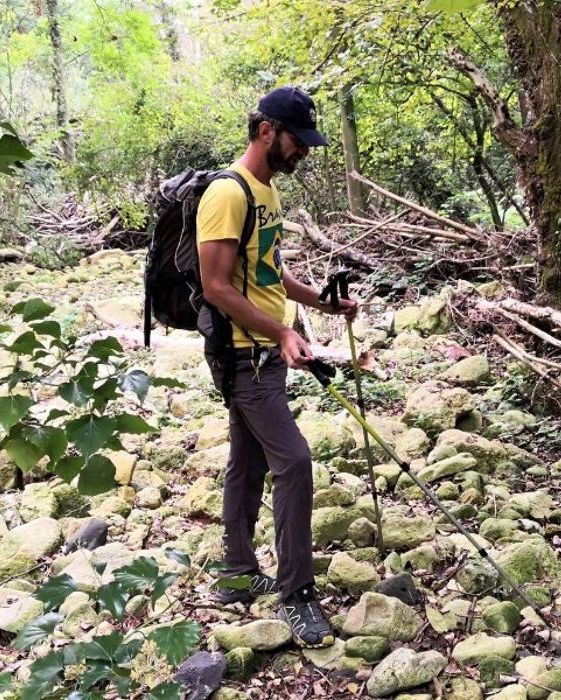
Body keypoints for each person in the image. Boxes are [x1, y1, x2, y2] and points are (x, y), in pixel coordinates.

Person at [197, 86, 357, 648]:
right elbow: (216, 286)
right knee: (294, 462)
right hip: (244, 358)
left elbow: (267, 274)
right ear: (267, 131)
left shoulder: (268, 193)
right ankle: (297, 592)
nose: (303, 153)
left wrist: (320, 303)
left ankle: (237, 572)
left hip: (264, 352)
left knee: (248, 462)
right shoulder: (227, 194)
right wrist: (282, 331)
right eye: (297, 141)